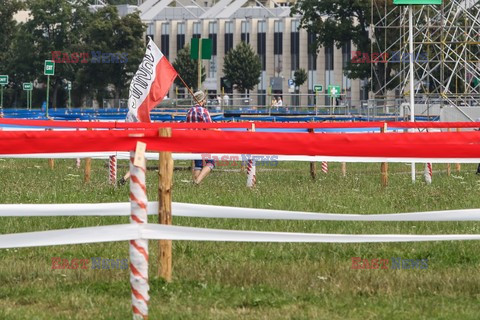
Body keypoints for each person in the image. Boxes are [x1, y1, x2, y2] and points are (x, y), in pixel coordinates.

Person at [187, 90, 215, 184]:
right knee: (210, 162)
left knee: (198, 163)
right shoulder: (204, 111)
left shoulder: (189, 111)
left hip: (192, 140)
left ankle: (196, 183)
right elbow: (209, 126)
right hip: (203, 140)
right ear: (202, 100)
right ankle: (197, 181)